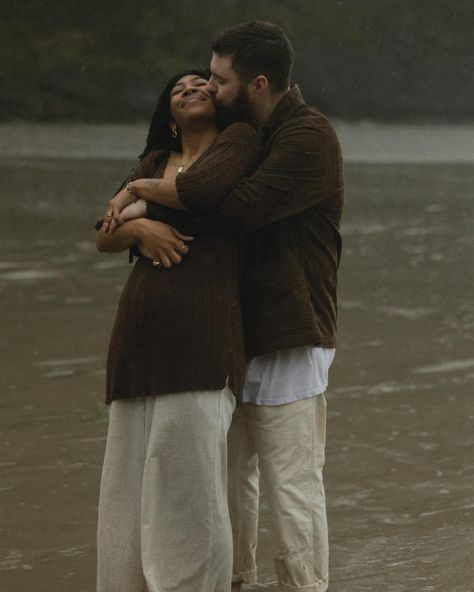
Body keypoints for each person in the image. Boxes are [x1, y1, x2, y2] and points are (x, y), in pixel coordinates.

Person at [122, 22, 344, 592]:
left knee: (291, 482)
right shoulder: (240, 132)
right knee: (228, 480)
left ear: (258, 83)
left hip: (291, 330)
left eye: (219, 80)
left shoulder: (307, 136)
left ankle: (307, 587)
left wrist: (142, 201)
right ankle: (235, 582)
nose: (210, 88)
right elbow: (191, 177)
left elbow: (237, 208)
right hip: (231, 332)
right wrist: (136, 223)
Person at [94, 68, 259, 592]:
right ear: (169, 116)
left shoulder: (236, 149)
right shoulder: (153, 161)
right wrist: (140, 227)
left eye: (201, 82)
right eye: (178, 88)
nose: (191, 88)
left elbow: (202, 195)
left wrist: (138, 203)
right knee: (127, 485)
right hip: (138, 337)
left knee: (191, 486)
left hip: (204, 336)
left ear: (220, 97)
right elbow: (104, 235)